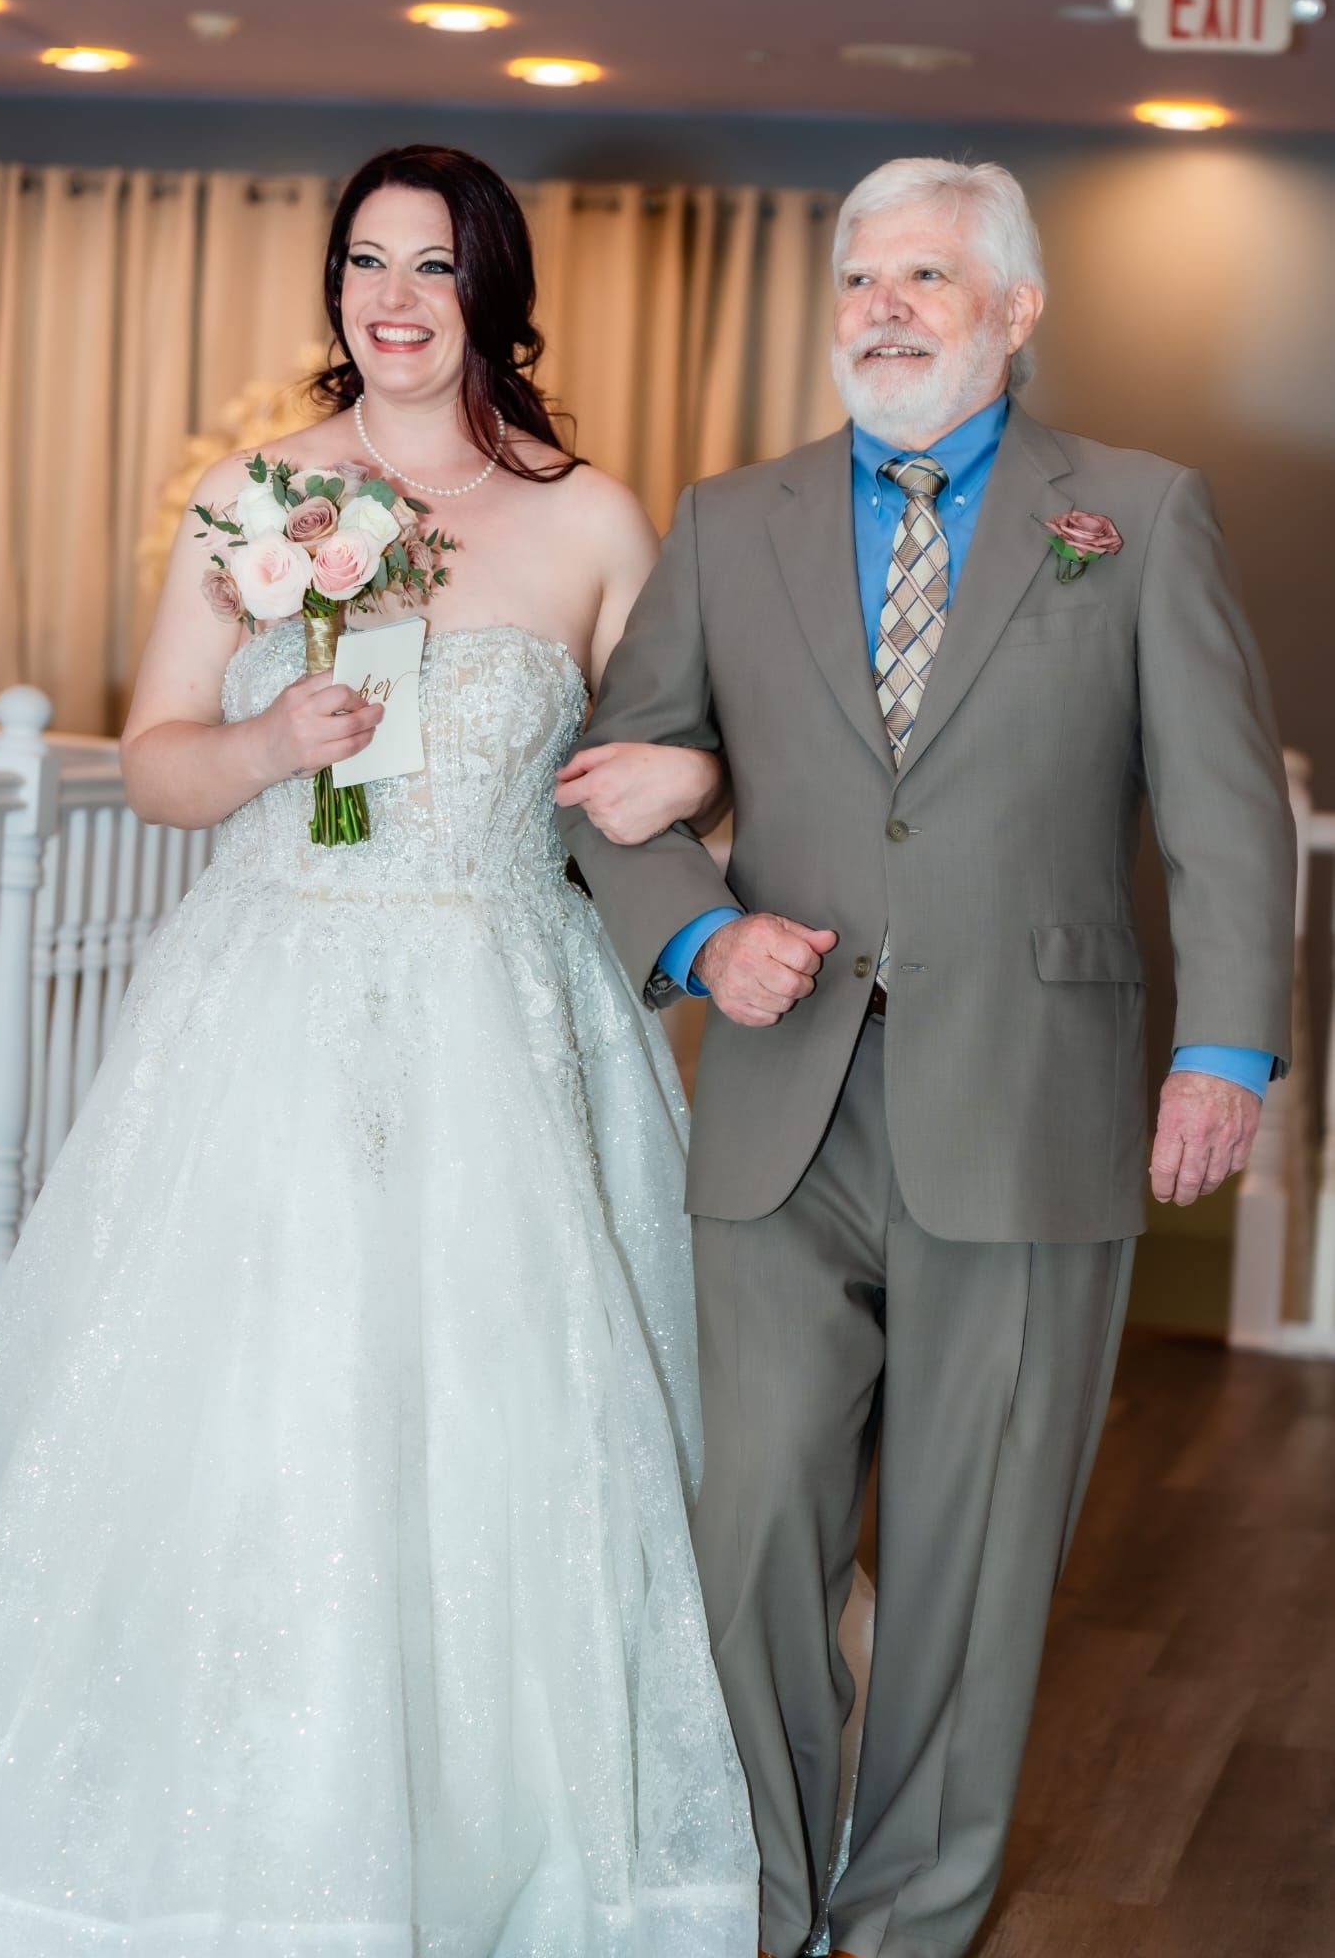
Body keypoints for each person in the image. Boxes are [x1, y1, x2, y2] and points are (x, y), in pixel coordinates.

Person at [0, 145, 757, 1957]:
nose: (392, 298)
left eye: (432, 264)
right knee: (259, 1400)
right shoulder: (251, 497)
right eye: (364, 262)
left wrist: (693, 773)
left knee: (497, 1413)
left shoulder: (591, 519)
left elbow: (680, 758)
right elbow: (157, 759)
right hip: (265, 1012)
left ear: (492, 292)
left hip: (501, 1017)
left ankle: (504, 1839)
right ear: (334, 287)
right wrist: (270, 748)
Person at [555, 156, 1295, 1958]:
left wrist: (1222, 1052)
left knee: (973, 1562)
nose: (880, 310)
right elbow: (608, 788)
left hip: (1032, 1109)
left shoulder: (1134, 512)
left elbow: (1223, 814)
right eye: (857, 279)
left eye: (925, 279)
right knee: (751, 1532)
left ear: (1014, 312)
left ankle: (904, 1927)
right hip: (779, 1107)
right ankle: (761, 1908)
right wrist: (698, 935)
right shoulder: (730, 521)